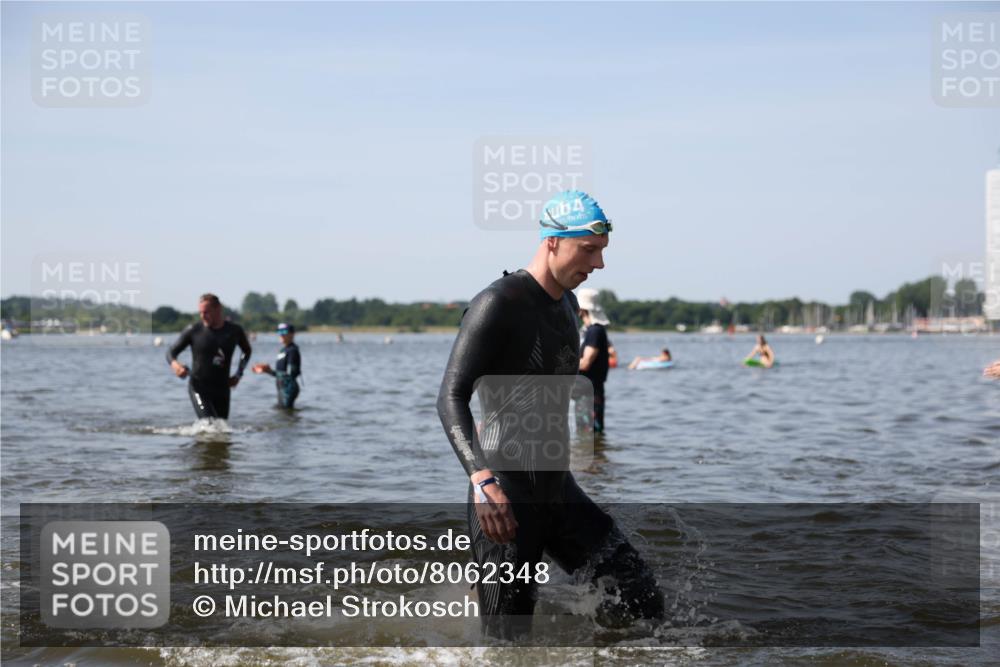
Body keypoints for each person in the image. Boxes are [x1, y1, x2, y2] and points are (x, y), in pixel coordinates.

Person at [437, 190, 664, 640]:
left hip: (560, 492)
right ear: (553, 242)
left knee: (641, 599)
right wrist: (482, 482)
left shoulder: (567, 306)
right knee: (508, 641)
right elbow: (451, 396)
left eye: (601, 251)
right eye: (589, 249)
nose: (599, 263)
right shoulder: (498, 303)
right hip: (504, 498)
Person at [166, 293, 251, 420]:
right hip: (199, 387)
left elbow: (247, 351)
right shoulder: (194, 330)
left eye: (206, 312)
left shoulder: (234, 331)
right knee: (209, 423)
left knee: (222, 427)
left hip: (222, 388)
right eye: (200, 312)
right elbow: (171, 352)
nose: (202, 316)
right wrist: (176, 365)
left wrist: (238, 374)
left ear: (218, 309)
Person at [576, 288, 611, 433]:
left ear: (582, 309)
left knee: (589, 435)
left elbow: (585, 363)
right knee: (587, 436)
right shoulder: (589, 331)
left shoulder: (595, 331)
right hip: (586, 392)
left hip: (590, 393)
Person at [252, 323, 302, 408]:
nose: (281, 334)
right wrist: (267, 370)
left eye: (284, 332)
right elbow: (281, 373)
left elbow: (293, 374)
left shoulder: (292, 350)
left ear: (292, 334)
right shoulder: (283, 350)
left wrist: (271, 371)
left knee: (285, 412)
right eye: (279, 332)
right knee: (281, 411)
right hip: (281, 386)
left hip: (289, 388)